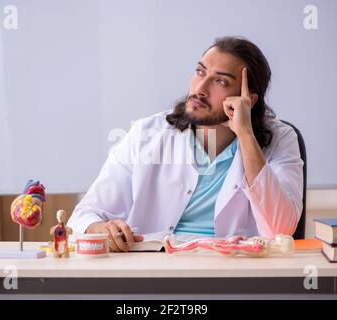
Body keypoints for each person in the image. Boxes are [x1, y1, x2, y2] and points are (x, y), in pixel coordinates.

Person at [67, 36, 304, 252]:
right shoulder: (147, 133)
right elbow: (85, 215)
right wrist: (98, 227)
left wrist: (245, 135)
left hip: (234, 273)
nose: (200, 89)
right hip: (153, 268)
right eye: (200, 72)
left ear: (248, 100)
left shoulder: (280, 139)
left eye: (220, 81)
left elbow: (280, 229)